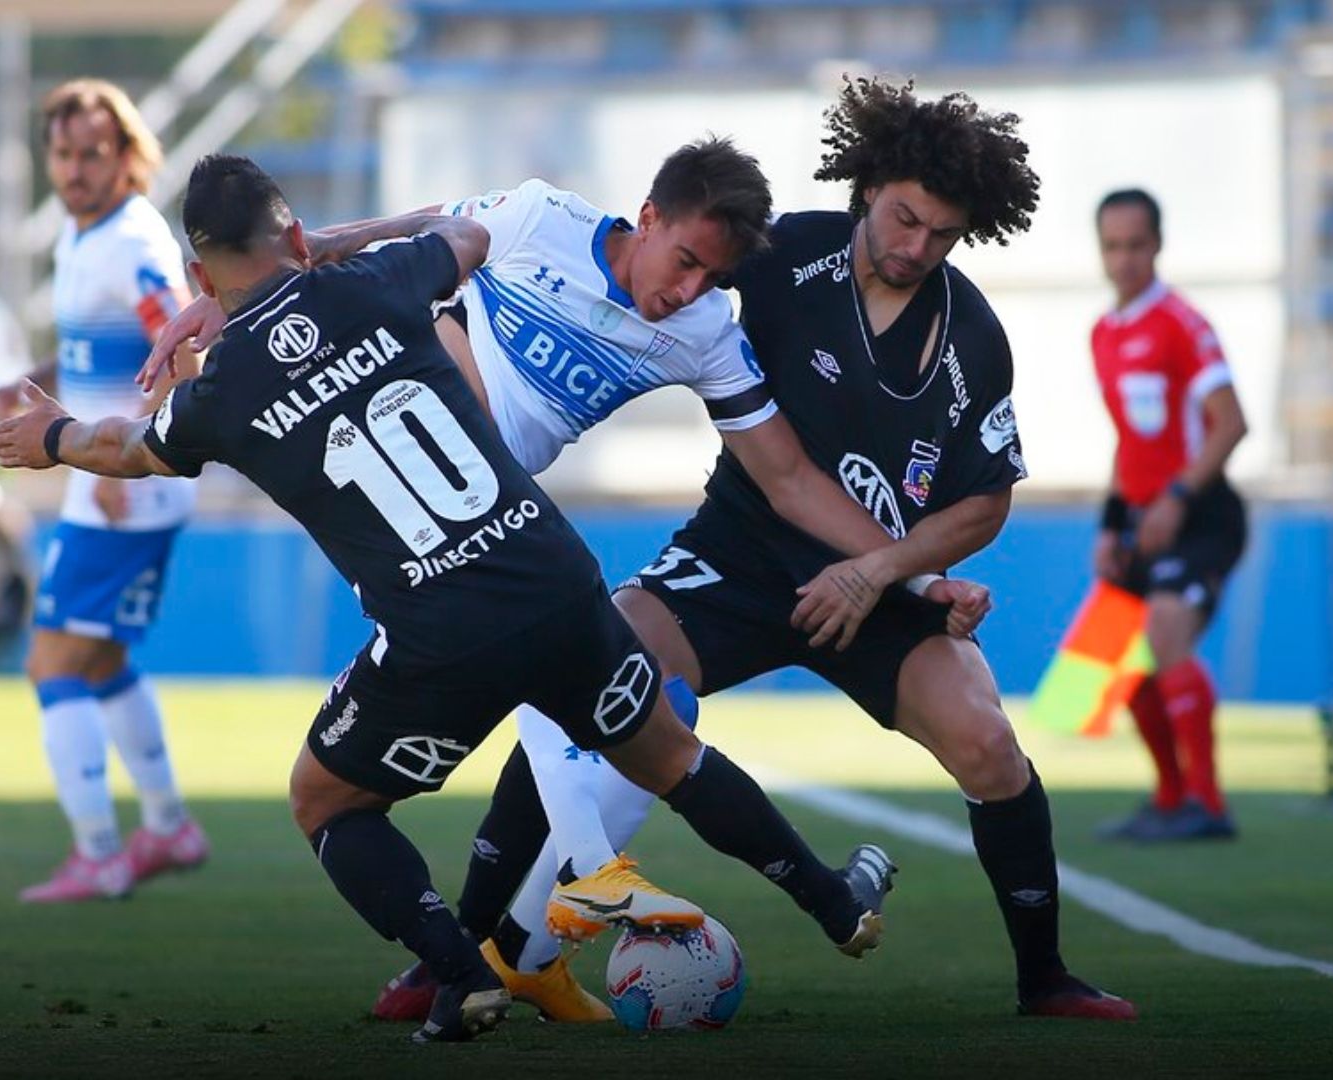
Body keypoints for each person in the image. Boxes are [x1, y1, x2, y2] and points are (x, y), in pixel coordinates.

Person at [0, 153, 897, 1043]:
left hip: (436, 629)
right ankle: (829, 900)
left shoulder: (218, 393)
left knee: (327, 803)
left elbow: (127, 448)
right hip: (551, 578)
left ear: (196, 270)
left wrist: (49, 432)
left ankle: (459, 973)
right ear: (299, 234)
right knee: (669, 751)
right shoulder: (381, 283)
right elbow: (463, 232)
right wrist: (344, 252)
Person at [415, 77, 1136, 1021]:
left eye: (942, 234)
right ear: (867, 184)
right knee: (594, 678)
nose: (917, 246)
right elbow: (653, 263)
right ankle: (461, 950)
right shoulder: (783, 252)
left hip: (874, 583)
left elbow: (987, 499)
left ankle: (1045, 980)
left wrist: (897, 572)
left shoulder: (975, 340)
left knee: (989, 744)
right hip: (740, 556)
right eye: (904, 217)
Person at [0, 79, 206, 902]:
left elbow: (184, 347)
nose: (76, 169)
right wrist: (41, 379)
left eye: (93, 153)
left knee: (52, 663)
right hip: (102, 469)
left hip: (125, 480)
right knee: (102, 658)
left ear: (126, 155)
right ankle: (169, 827)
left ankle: (99, 854)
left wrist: (131, 450)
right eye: (64, 153)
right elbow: (110, 350)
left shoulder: (133, 241)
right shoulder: (83, 235)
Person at [1087, 187, 1249, 844]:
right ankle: (1169, 798)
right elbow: (1128, 441)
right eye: (1112, 246)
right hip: (1142, 520)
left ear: (1158, 245)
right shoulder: (1103, 332)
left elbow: (1232, 423)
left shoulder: (1184, 323)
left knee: (1165, 630)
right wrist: (1110, 523)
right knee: (1106, 667)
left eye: (1136, 245)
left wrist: (1178, 499)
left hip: (1203, 515)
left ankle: (1208, 805)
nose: (1124, 260)